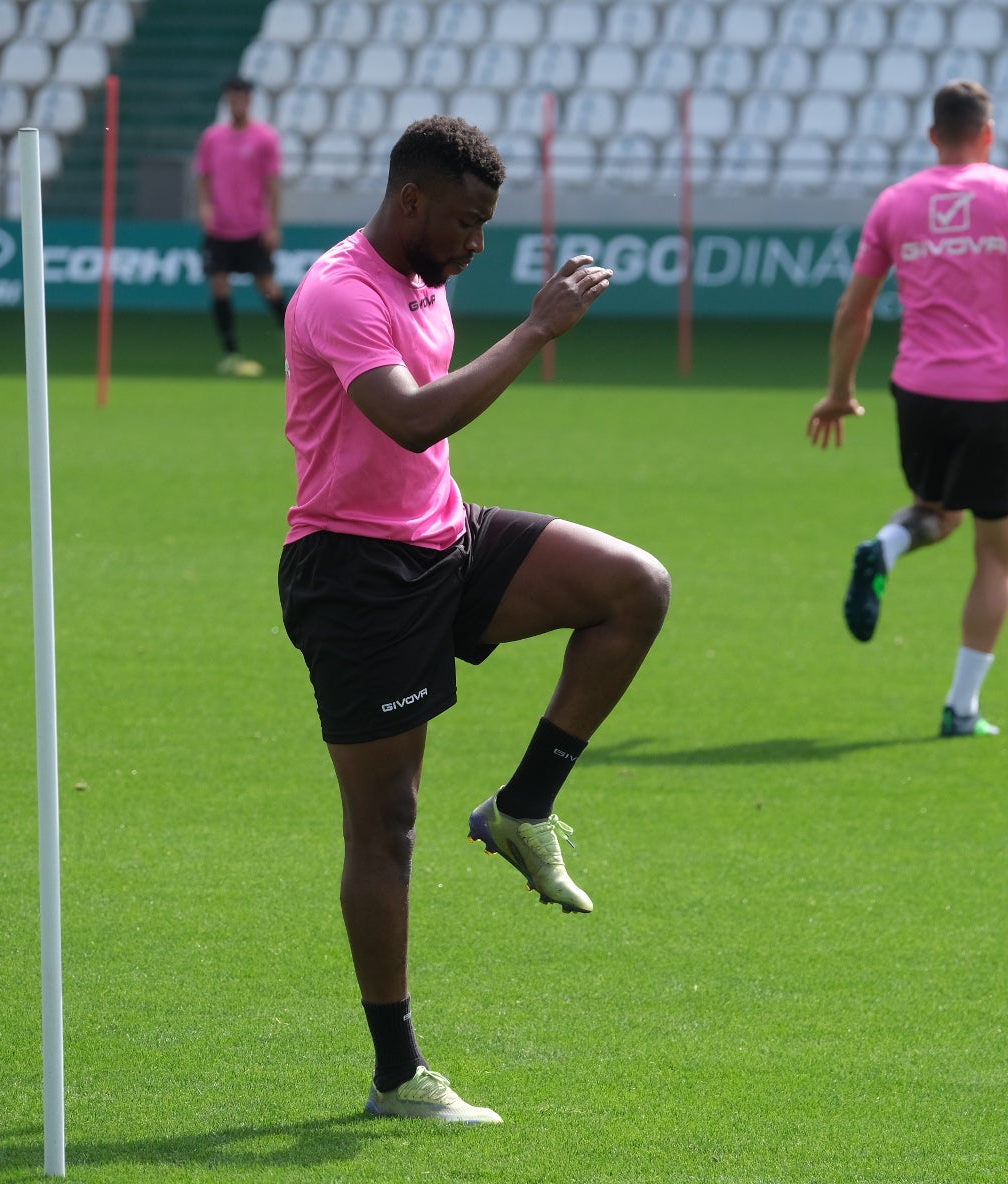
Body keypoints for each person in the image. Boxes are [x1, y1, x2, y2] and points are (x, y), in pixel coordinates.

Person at [278, 116, 672, 1123]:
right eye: (466, 220)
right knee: (386, 825)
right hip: (356, 574)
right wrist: (536, 329)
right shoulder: (340, 291)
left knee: (636, 586)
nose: (477, 243)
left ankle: (523, 807)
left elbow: (424, 443)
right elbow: (413, 419)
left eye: (487, 223)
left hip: (443, 536)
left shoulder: (423, 275)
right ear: (411, 201)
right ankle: (398, 1073)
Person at [807, 80, 1008, 738]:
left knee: (937, 512)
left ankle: (885, 548)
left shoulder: (895, 203)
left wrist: (838, 393)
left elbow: (853, 309)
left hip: (919, 390)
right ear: (988, 133)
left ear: (933, 135)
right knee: (997, 553)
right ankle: (962, 708)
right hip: (997, 393)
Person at [193, 76, 286, 378]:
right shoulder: (212, 138)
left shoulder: (265, 138)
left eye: (241, 98)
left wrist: (272, 224)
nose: (237, 103)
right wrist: (205, 207)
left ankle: (297, 344)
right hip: (220, 229)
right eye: (232, 98)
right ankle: (231, 352)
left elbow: (273, 185)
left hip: (252, 228)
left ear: (249, 100)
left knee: (268, 287)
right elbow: (203, 178)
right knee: (219, 284)